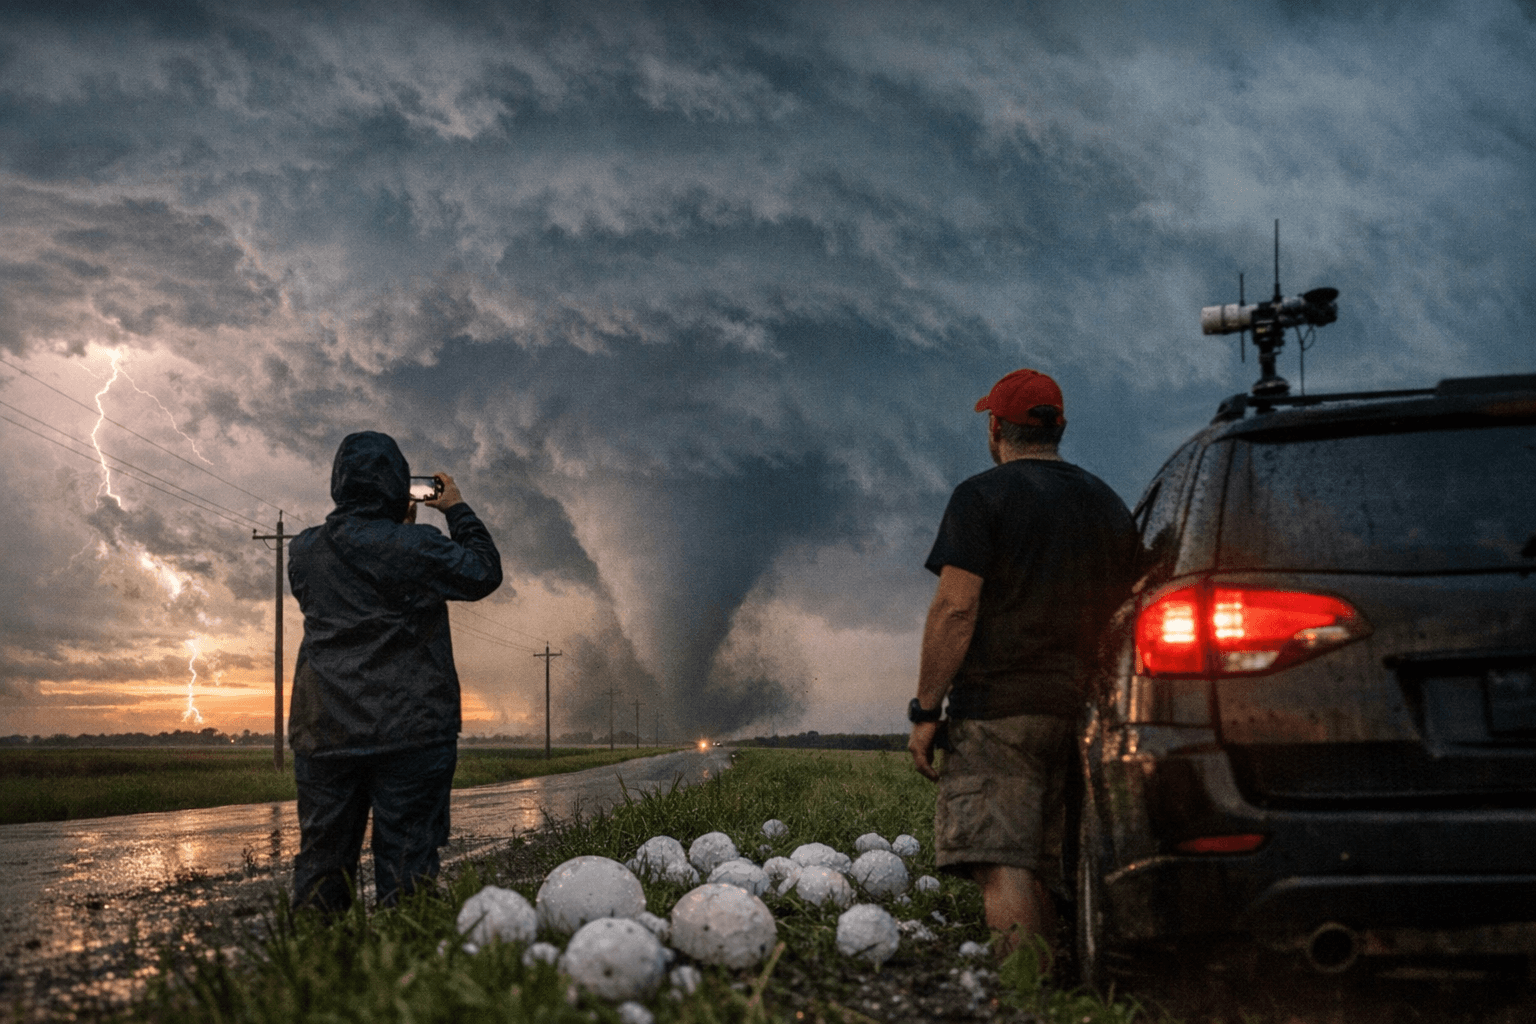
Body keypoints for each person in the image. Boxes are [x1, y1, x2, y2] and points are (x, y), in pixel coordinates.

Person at [907, 369, 1136, 957]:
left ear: (994, 429)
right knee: (1049, 868)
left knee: (1002, 864)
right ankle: (1063, 995)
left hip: (1001, 712)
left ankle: (1029, 1001)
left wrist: (926, 709)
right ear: (1059, 426)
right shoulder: (1110, 504)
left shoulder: (981, 497)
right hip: (1088, 717)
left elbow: (956, 609)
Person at [287, 431, 502, 913]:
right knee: (408, 871)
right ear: (399, 485)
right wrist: (456, 510)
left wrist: (391, 529)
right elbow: (484, 572)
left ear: (338, 482)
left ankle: (315, 971)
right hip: (411, 732)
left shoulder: (303, 551)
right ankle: (404, 974)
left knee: (322, 866)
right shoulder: (418, 546)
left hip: (326, 732)